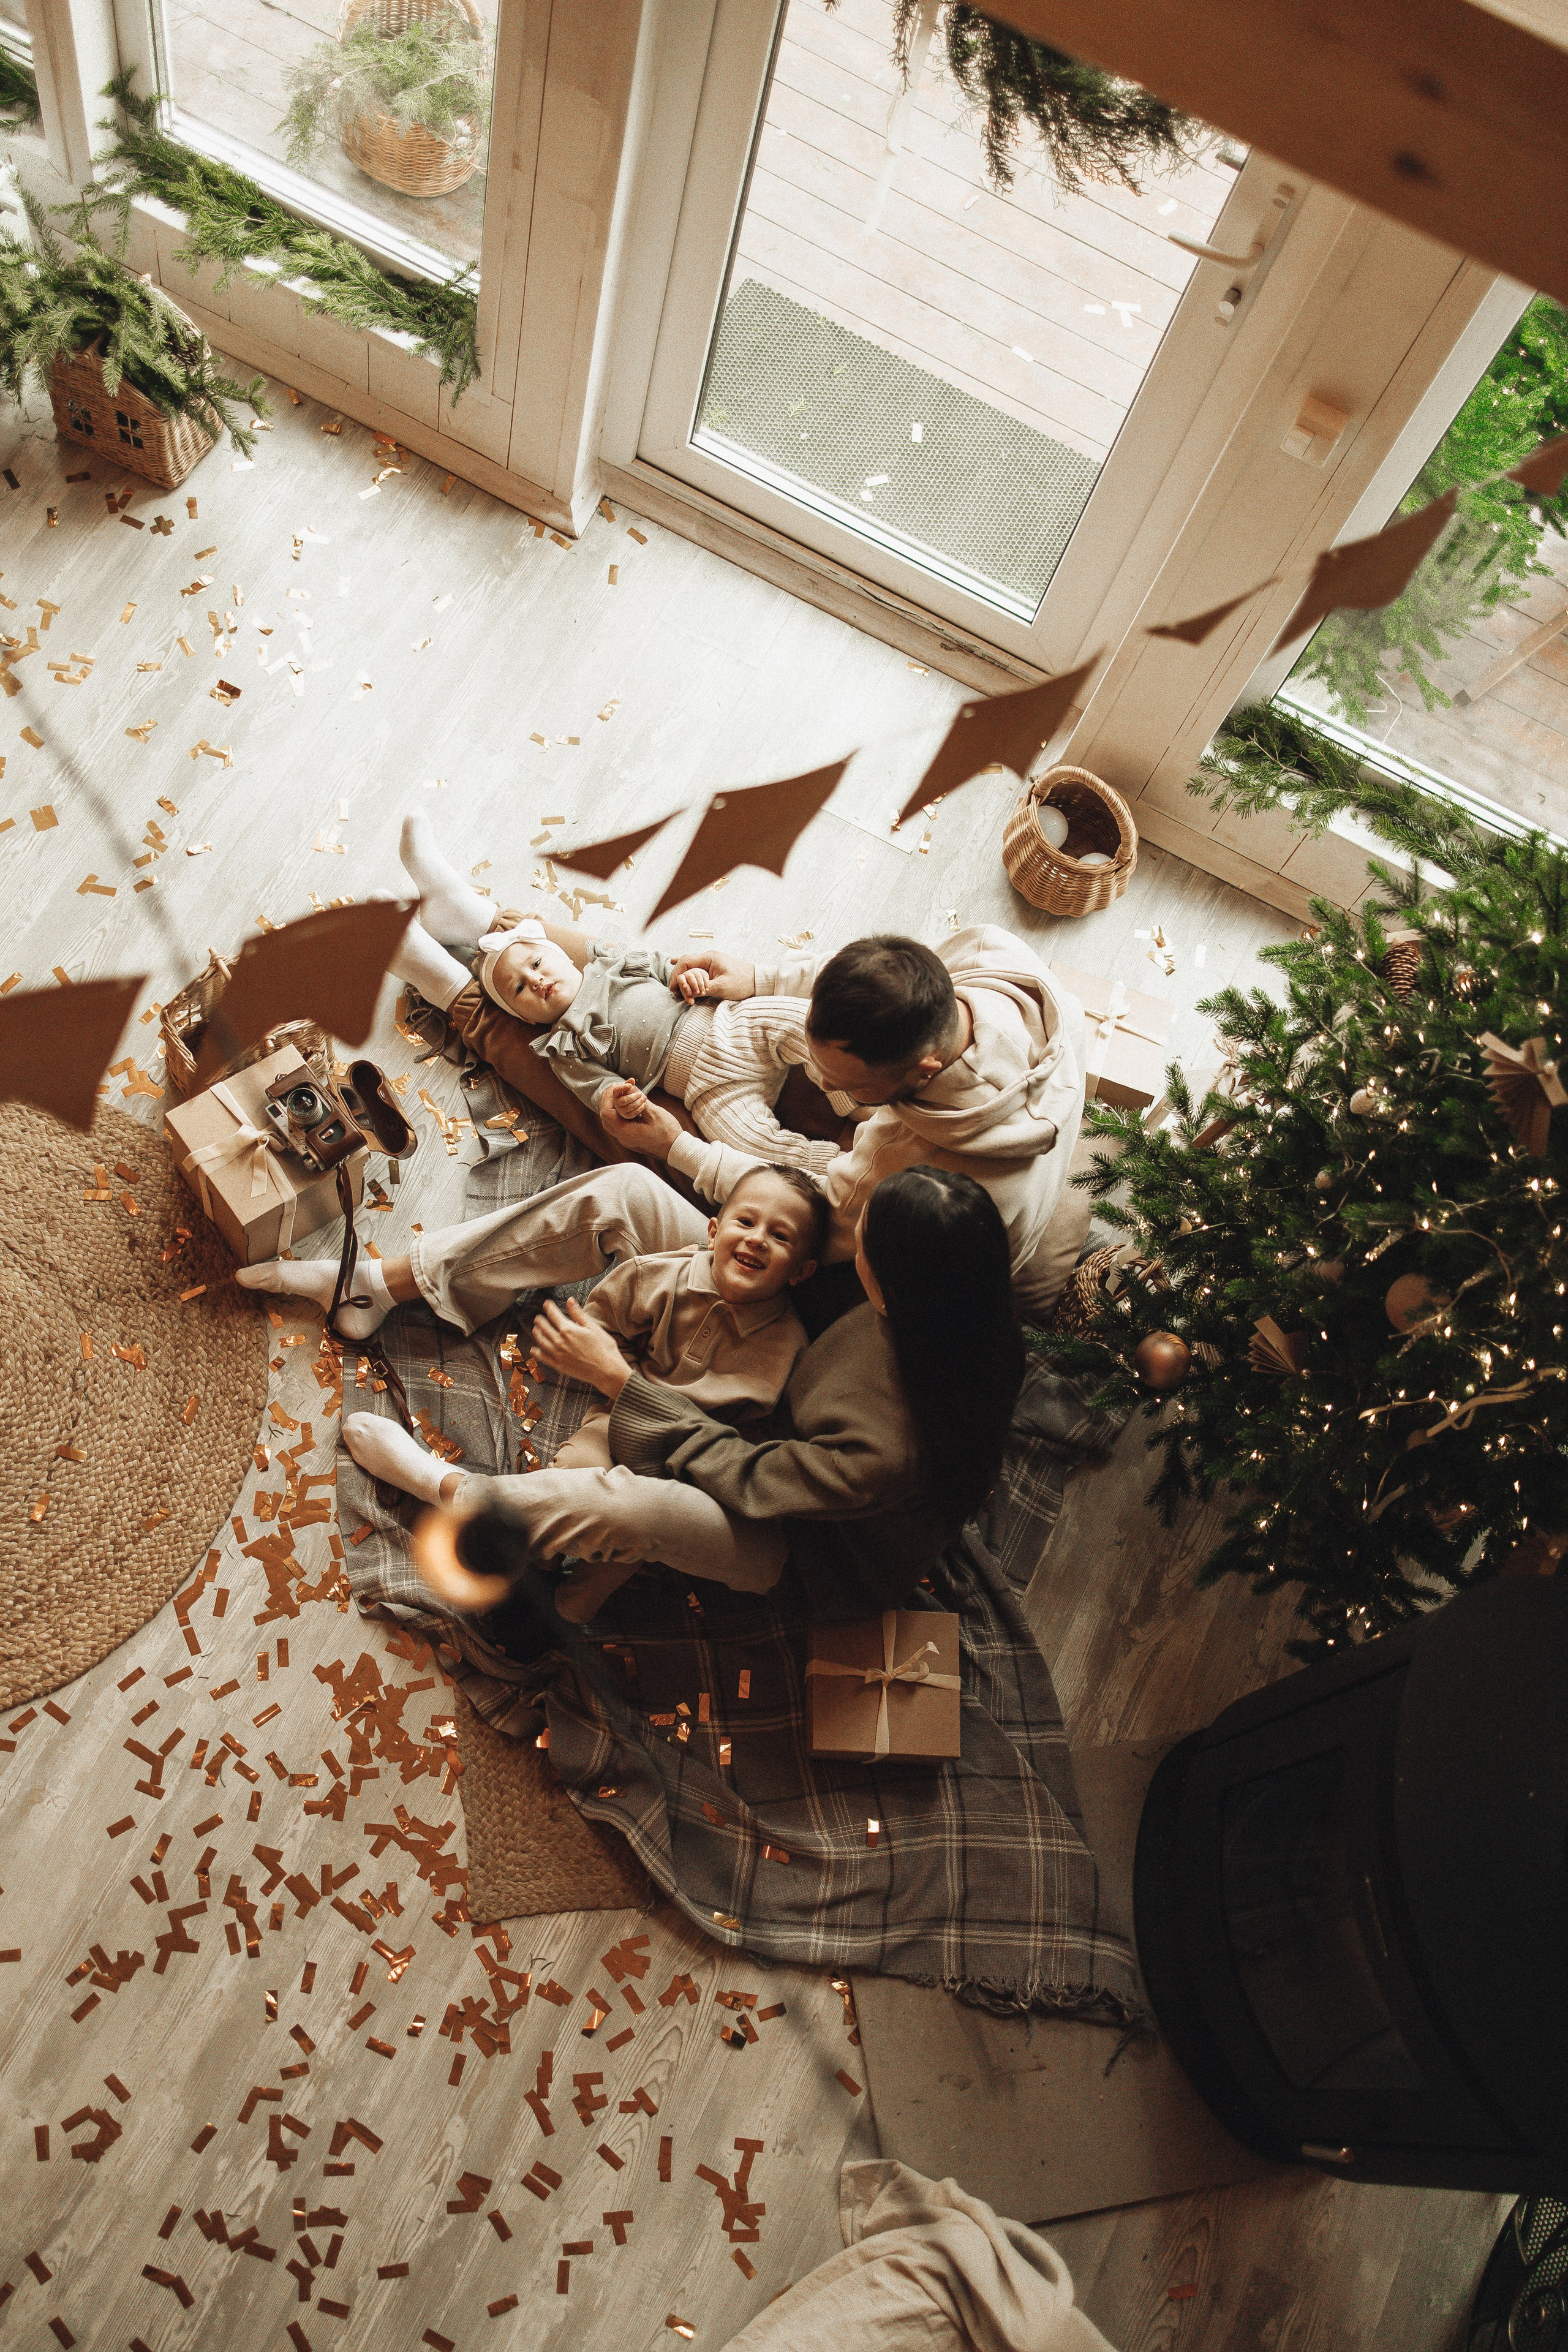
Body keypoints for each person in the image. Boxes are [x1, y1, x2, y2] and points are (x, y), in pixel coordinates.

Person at [250, 1163, 1023, 1623]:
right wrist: (678, 1155)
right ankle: (379, 1284)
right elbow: (782, 1219)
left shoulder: (890, 1446)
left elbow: (755, 1481)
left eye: (864, 1239)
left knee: (627, 1508)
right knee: (626, 1190)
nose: (847, 1235)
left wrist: (619, 1381)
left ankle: (442, 1484)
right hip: (760, 1380)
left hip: (788, 1531)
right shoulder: (940, 1295)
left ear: (890, 1284)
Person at [598, 928, 1085, 1319]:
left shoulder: (909, 1169)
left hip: (927, 1276)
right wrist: (760, 978)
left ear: (925, 1070)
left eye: (851, 1087)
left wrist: (675, 1146)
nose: (828, 1085)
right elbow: (879, 973)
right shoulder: (990, 950)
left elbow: (802, 1212)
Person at [390, 813, 851, 1174]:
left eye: (536, 965)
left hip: (732, 1027)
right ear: (526, 1020)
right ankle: (833, 1167)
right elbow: (596, 1087)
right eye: (520, 991)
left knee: (796, 1019)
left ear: (569, 960)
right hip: (706, 1089)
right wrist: (616, 1098)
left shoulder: (606, 966)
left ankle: (853, 1096)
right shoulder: (563, 1044)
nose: (536, 981)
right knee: (749, 1146)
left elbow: (657, 967)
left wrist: (679, 980)